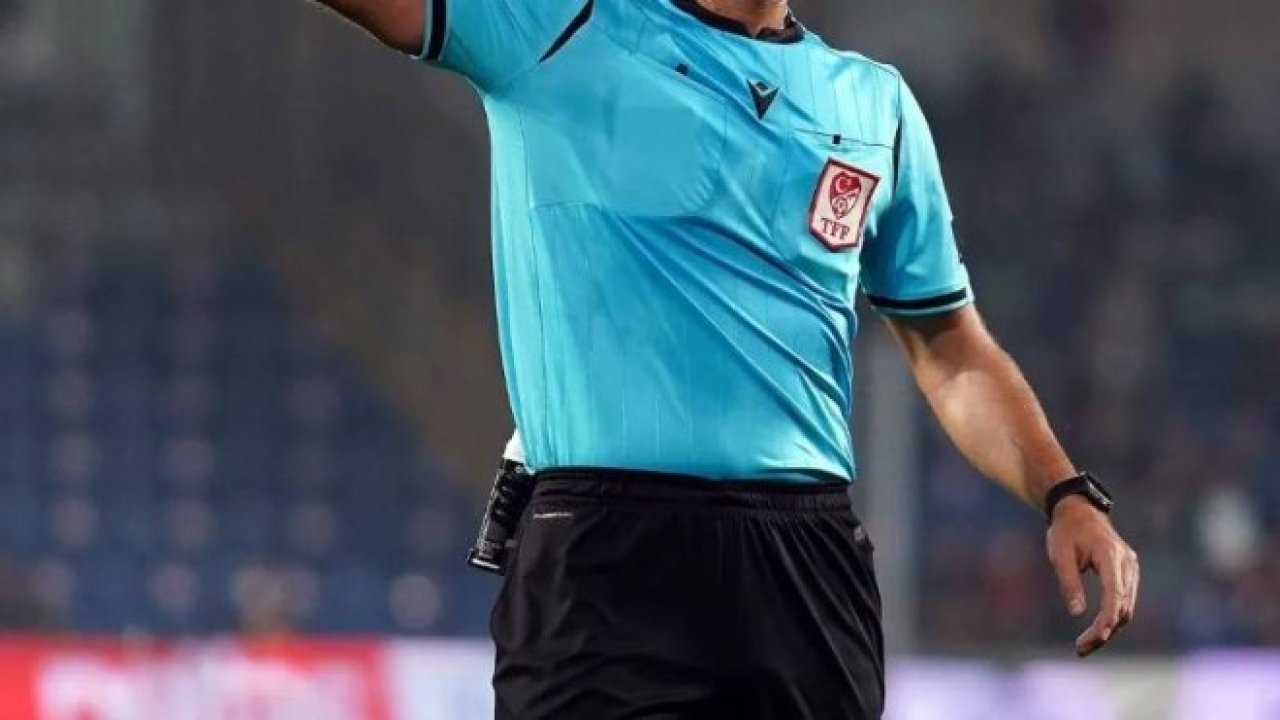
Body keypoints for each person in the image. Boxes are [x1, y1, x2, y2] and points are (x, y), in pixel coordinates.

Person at [306, 0, 1141, 717]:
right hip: (604, 559)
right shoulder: (561, 26)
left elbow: (949, 348)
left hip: (804, 565)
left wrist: (1065, 492)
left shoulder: (874, 104)